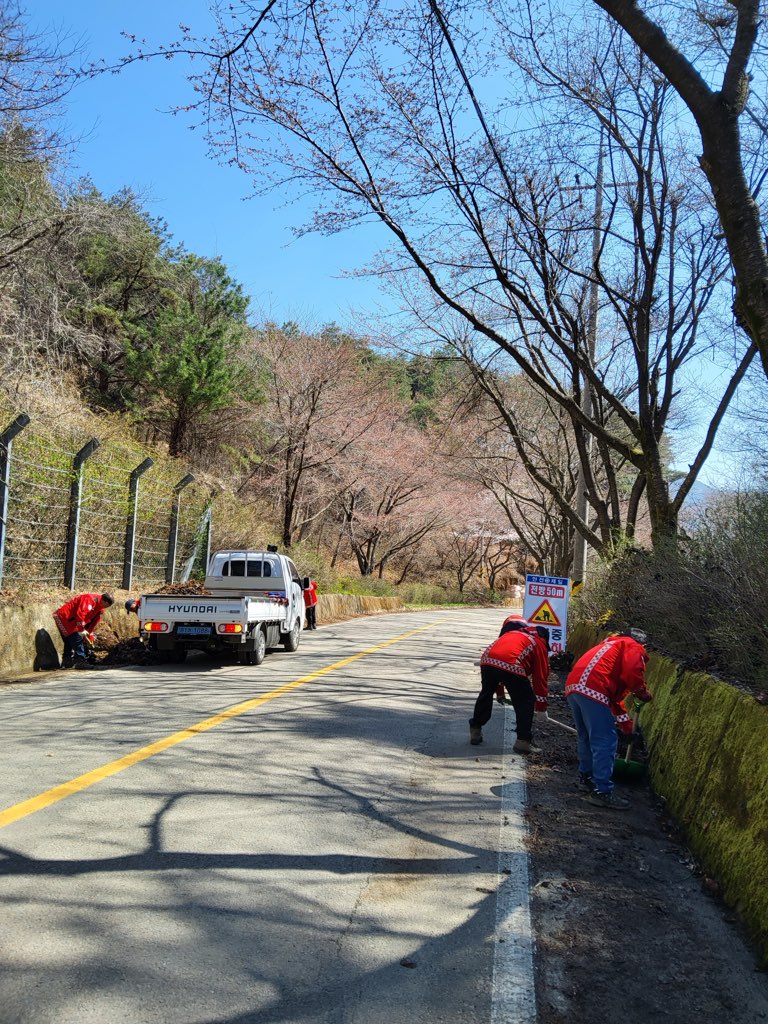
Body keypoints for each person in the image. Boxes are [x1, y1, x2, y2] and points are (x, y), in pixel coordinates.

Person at [565, 628, 653, 810]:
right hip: (593, 688)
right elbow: (632, 672)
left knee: (586, 736)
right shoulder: (633, 646)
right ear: (642, 644)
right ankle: (601, 791)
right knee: (605, 740)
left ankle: (587, 778)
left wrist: (627, 727)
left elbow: (615, 699)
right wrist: (641, 691)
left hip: (575, 686)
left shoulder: (610, 646)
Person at [469, 620, 550, 753]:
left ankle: (475, 729)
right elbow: (540, 678)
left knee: (486, 694)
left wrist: (500, 693)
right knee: (526, 700)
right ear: (544, 639)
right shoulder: (539, 643)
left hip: (487, 660)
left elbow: (499, 664)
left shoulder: (513, 634)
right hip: (511, 664)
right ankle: (523, 741)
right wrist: (541, 707)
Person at [53, 592, 114, 669]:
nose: (106, 607)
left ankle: (67, 661)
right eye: (107, 605)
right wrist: (81, 629)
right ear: (104, 601)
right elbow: (81, 614)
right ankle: (80, 660)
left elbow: (92, 621)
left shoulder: (100, 608)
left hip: (73, 620)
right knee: (76, 637)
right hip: (64, 617)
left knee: (69, 639)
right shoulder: (89, 599)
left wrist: (89, 634)